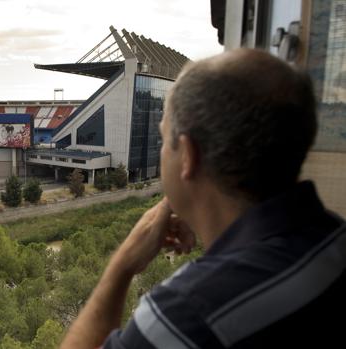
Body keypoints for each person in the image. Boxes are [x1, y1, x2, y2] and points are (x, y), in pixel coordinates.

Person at [60, 49, 345, 349]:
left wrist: (121, 267)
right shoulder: (333, 237)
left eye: (162, 139)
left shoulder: (188, 315)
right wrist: (203, 213)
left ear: (187, 155)